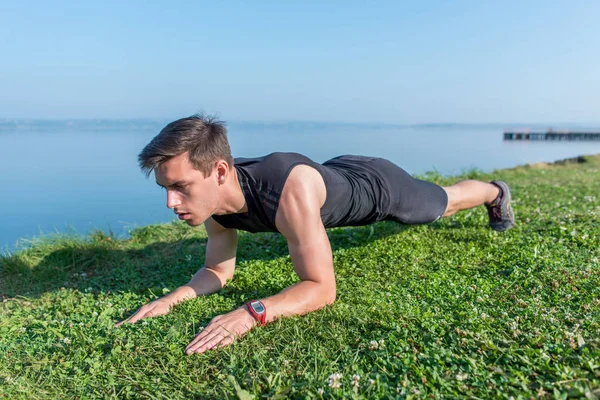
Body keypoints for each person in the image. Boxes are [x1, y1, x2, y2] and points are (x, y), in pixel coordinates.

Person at [116, 114, 515, 354]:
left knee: (442, 203)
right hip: (337, 170)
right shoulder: (214, 203)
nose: (171, 202)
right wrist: (174, 297)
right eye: (165, 189)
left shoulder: (288, 190)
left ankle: (495, 191)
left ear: (219, 171)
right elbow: (218, 270)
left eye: (180, 187)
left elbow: (322, 288)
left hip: (379, 188)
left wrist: (251, 313)